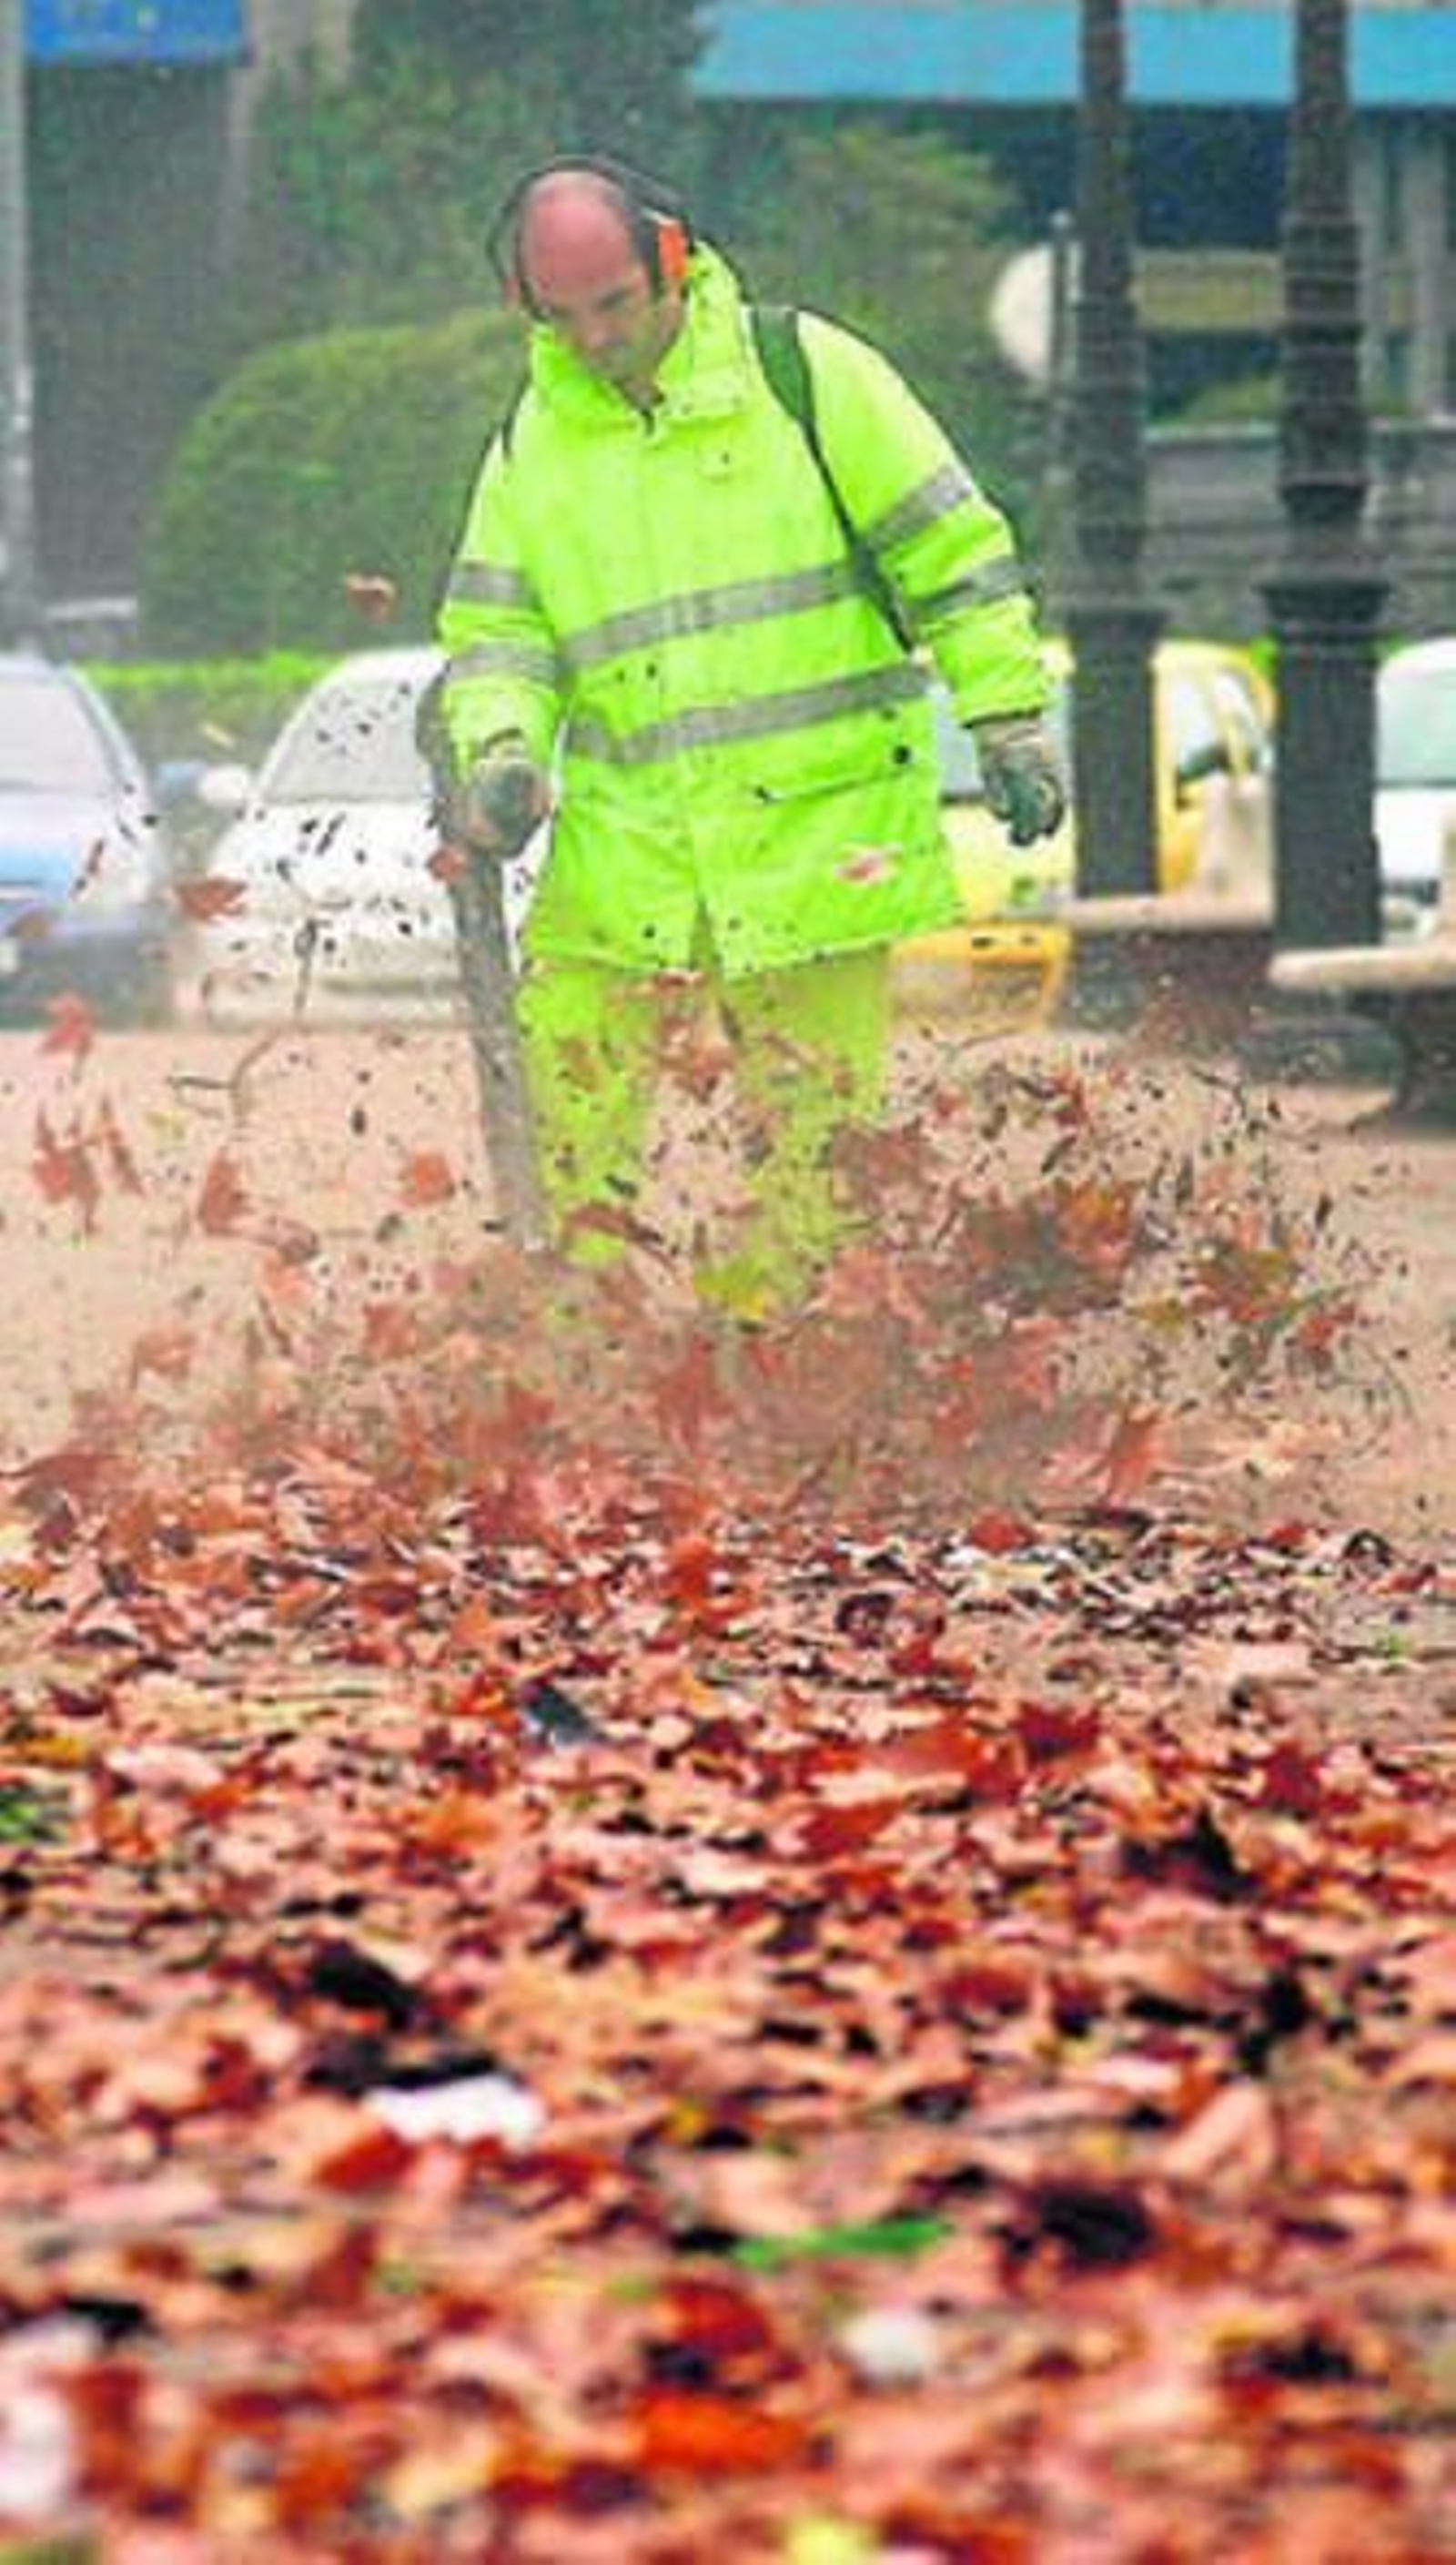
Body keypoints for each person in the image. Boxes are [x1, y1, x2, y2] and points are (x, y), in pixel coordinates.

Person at [437, 155, 1065, 1320]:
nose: (595, 338)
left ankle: (773, 1361)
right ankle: (581, 1366)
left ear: (671, 259)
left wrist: (1008, 712)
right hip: (628, 852)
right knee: (566, 1114)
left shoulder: (807, 373)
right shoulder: (534, 441)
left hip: (815, 837)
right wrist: (503, 751)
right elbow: (499, 632)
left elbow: (951, 554)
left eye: (615, 303)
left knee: (814, 1147)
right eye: (561, 317)